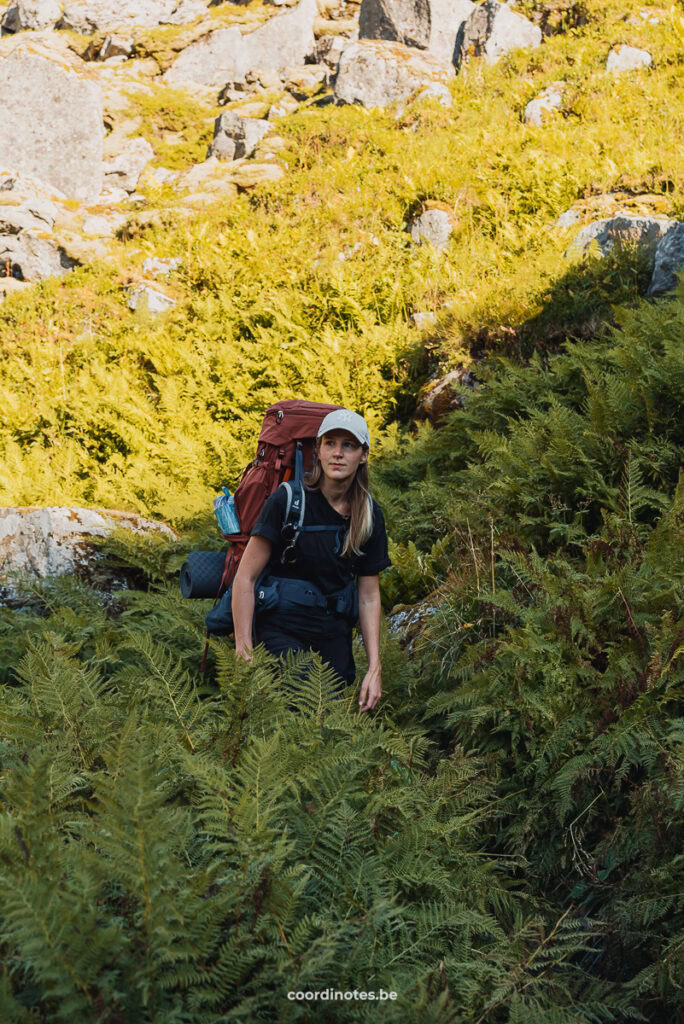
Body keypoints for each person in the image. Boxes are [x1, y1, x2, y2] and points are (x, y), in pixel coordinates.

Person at [231, 409, 391, 712]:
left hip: (333, 635)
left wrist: (374, 668)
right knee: (315, 707)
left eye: (349, 445)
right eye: (330, 443)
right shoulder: (288, 500)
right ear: (316, 450)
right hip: (281, 629)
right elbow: (246, 577)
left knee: (335, 722)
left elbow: (368, 596)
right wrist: (243, 648)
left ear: (364, 455)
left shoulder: (369, 515)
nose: (338, 454)